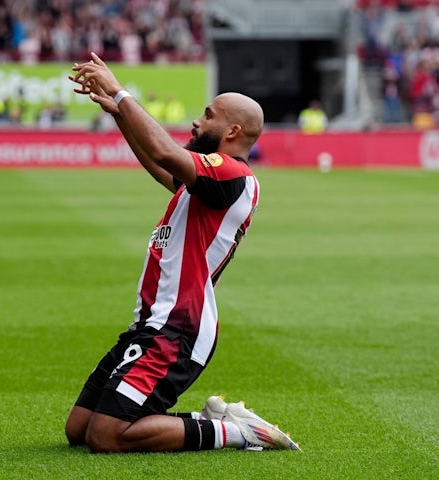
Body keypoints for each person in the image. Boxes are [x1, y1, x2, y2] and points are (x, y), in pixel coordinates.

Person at [65, 53, 300, 454]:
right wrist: (120, 115)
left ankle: (237, 434)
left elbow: (163, 152)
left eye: (208, 116)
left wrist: (121, 94)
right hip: (154, 322)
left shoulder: (231, 173)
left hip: (178, 328)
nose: (197, 121)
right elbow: (162, 167)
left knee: (106, 438)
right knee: (80, 429)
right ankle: (212, 422)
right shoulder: (211, 180)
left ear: (232, 130)